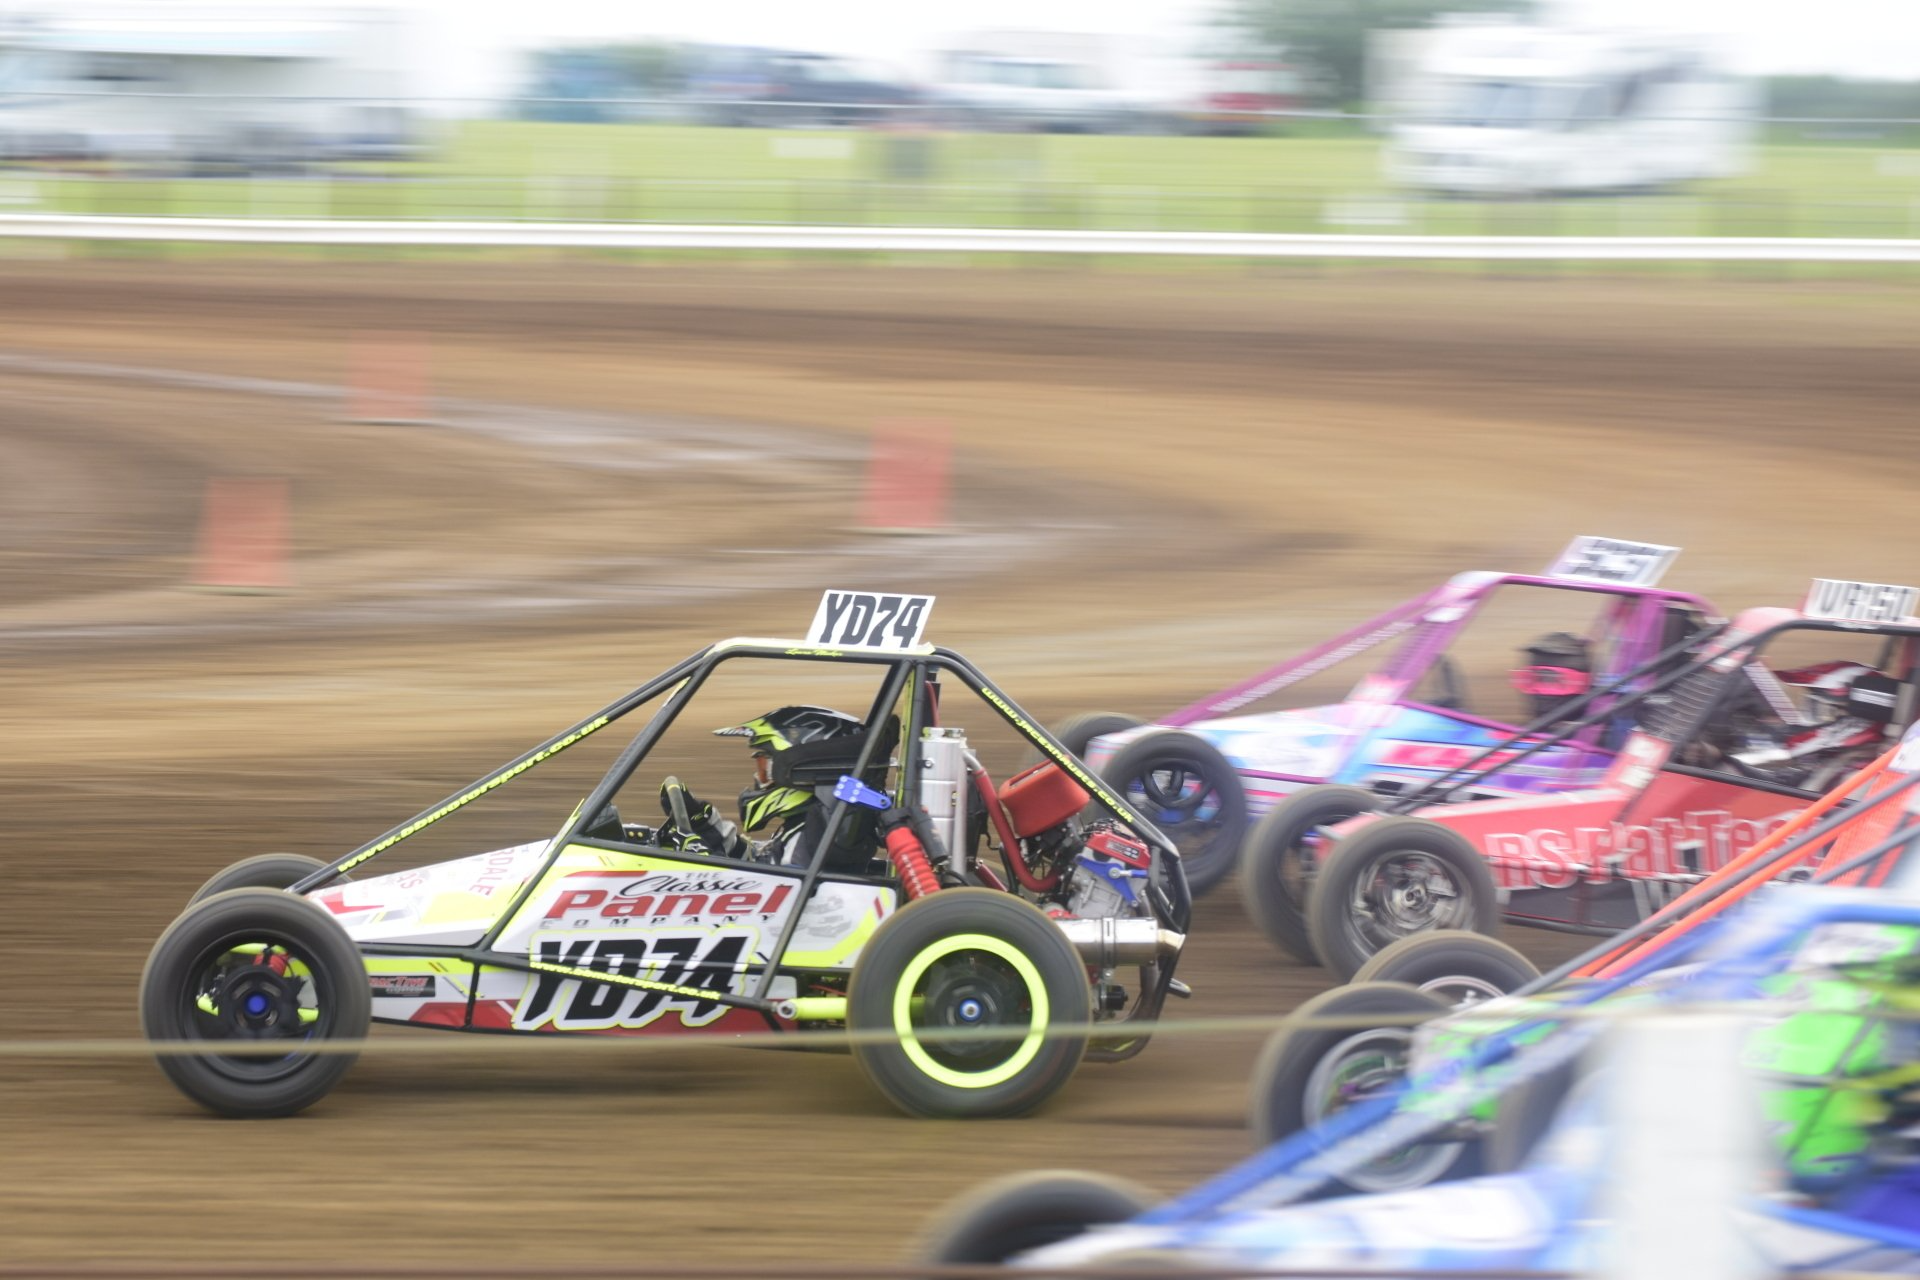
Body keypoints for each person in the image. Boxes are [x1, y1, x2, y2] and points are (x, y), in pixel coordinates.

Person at [649, 705, 875, 869]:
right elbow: (762, 863)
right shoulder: (806, 827)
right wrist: (709, 832)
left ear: (799, 773)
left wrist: (705, 863)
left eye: (766, 766)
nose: (758, 777)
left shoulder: (815, 837)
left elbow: (778, 895)